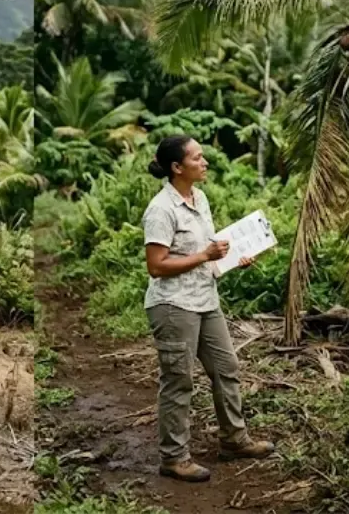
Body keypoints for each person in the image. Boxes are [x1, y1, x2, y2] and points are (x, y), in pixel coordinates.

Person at [142, 134, 275, 483]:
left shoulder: (199, 198)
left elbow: (205, 254)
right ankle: (173, 457)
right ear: (177, 167)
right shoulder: (161, 209)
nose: (205, 162)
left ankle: (234, 440)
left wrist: (229, 259)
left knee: (227, 368)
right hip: (173, 305)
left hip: (205, 299)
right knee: (179, 380)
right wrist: (204, 255)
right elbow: (156, 265)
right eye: (198, 158)